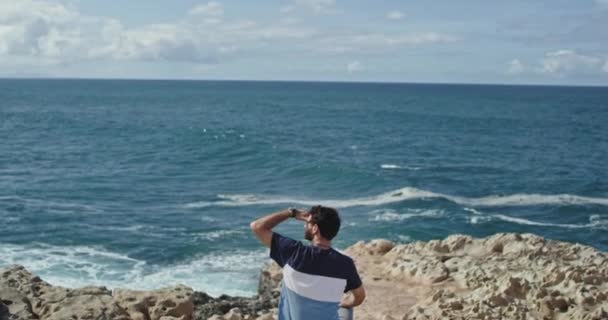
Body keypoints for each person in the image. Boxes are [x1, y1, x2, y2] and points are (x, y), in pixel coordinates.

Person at [250, 205, 365, 320]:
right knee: (345, 309)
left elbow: (257, 226)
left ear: (315, 229)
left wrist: (292, 213)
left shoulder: (293, 252)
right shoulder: (345, 264)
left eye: (307, 223)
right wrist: (346, 304)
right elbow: (359, 297)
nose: (305, 225)